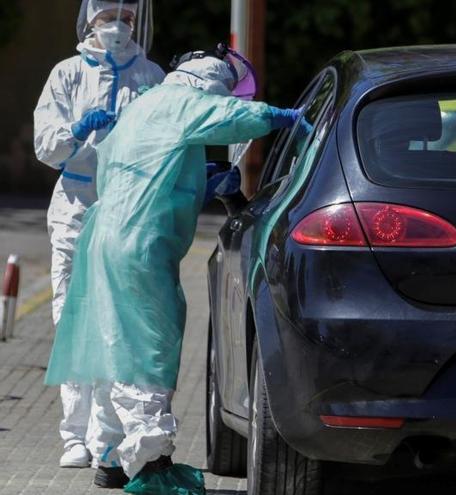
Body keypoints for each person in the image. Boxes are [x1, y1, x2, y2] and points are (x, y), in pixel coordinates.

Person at [44, 44, 302, 493]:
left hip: (106, 238)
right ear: (209, 82)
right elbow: (233, 118)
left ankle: (110, 459)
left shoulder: (147, 104)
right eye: (222, 92)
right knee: (149, 351)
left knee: (114, 348)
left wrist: (197, 186)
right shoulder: (184, 102)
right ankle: (151, 471)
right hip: (140, 248)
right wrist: (283, 117)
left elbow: (144, 175)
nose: (222, 101)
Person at [33, 0, 164, 469]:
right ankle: (74, 434)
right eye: (109, 16)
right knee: (71, 316)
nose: (118, 26)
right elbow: (45, 143)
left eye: (127, 18)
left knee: (115, 322)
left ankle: (103, 433)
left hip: (125, 209)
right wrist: (76, 130)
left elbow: (165, 139)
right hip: (75, 208)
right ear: (90, 20)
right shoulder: (67, 73)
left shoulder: (150, 77)